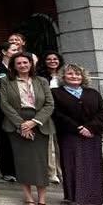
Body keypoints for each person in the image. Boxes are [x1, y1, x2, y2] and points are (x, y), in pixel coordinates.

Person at [52, 65, 103, 205]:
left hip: (92, 136)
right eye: (70, 74)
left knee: (93, 171)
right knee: (74, 169)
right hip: (70, 136)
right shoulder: (56, 94)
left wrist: (90, 127)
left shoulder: (93, 93)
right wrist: (77, 128)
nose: (74, 76)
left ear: (83, 76)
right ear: (63, 77)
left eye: (77, 74)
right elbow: (56, 114)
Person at [0, 52, 56, 205]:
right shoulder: (6, 81)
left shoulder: (42, 81)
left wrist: (34, 122)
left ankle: (43, 201)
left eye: (25, 62)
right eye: (19, 63)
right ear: (13, 66)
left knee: (40, 163)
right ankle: (29, 199)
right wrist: (21, 125)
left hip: (39, 123)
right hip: (17, 123)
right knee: (23, 162)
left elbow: (49, 103)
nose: (22, 65)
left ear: (31, 64)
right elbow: (5, 104)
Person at [0, 42, 21, 183]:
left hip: (18, 109)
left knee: (18, 139)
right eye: (14, 49)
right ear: (4, 52)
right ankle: (8, 171)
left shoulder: (19, 67)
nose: (16, 51)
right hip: (0, 109)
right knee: (4, 140)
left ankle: (20, 170)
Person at [38, 50, 65, 183]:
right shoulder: (41, 77)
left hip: (62, 113)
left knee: (60, 143)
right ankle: (51, 172)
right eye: (49, 59)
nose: (52, 61)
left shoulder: (64, 76)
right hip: (46, 112)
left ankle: (62, 171)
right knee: (49, 144)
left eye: (55, 59)